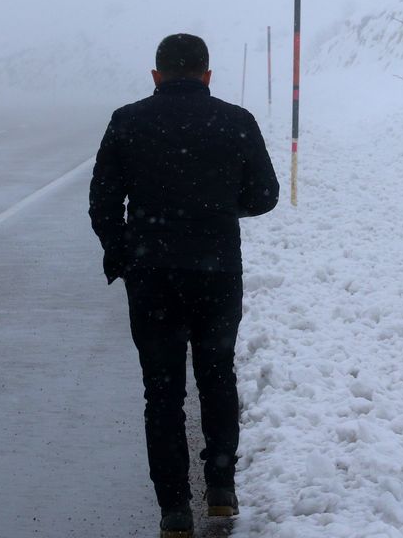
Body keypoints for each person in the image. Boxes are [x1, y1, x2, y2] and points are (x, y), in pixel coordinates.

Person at [89, 33, 279, 538]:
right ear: (207, 74)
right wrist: (217, 210)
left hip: (153, 277)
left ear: (156, 76)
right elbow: (265, 195)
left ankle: (174, 509)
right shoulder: (236, 121)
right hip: (217, 271)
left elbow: (102, 202)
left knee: (163, 391)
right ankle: (220, 490)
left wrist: (125, 251)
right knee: (217, 375)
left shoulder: (128, 121)